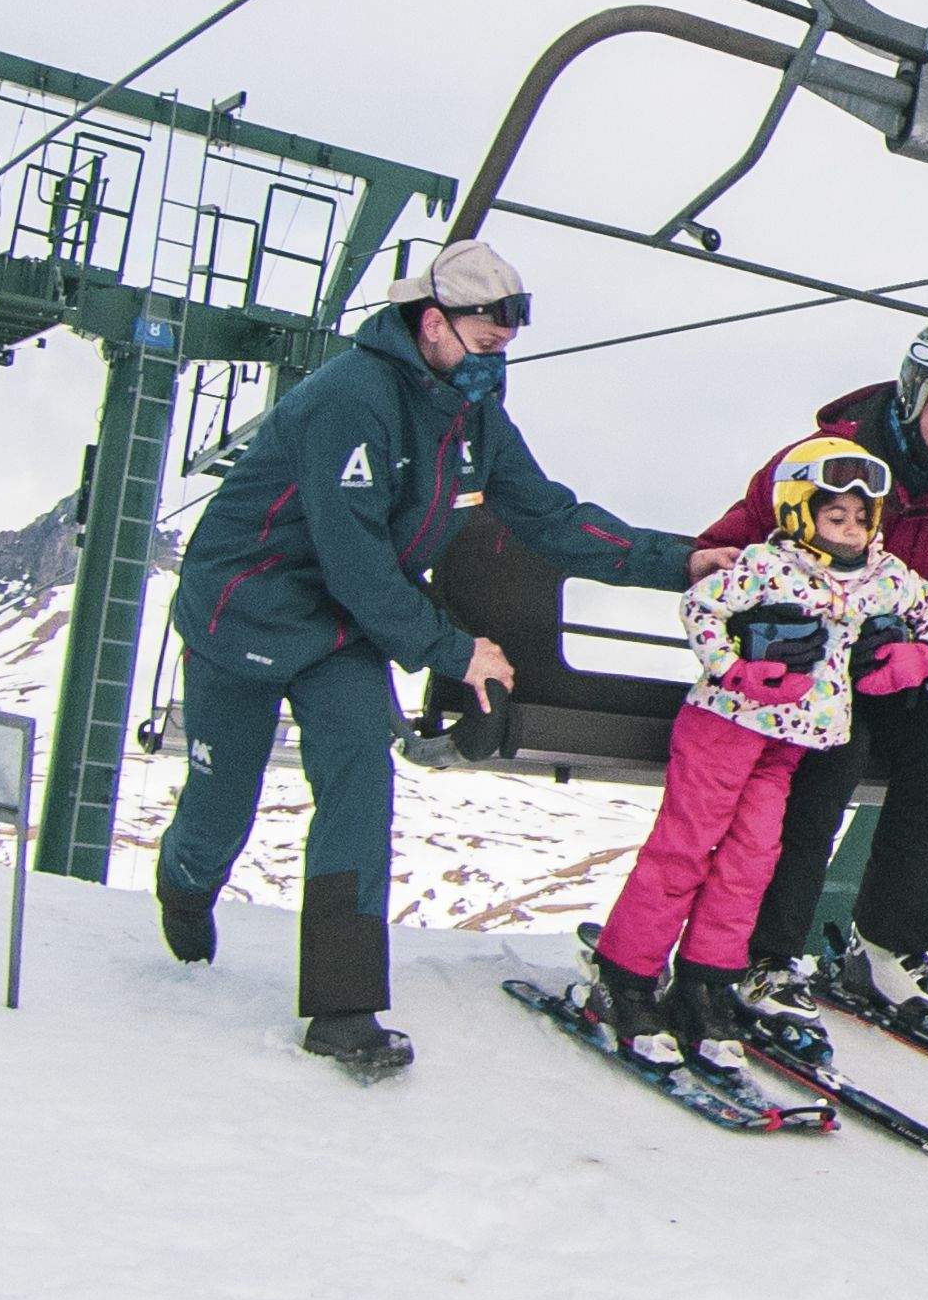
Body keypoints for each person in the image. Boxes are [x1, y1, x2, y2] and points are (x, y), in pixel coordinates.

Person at [159, 238, 724, 1080]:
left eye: (504, 343)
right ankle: (186, 880)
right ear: (431, 324)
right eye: (483, 336)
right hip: (249, 608)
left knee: (359, 784)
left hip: (342, 628)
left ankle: (343, 1009)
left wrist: (677, 561)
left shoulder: (471, 412)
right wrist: (452, 649)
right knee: (220, 805)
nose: (496, 356)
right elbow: (351, 556)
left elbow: (549, 516)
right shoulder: (350, 399)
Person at [585, 437, 928, 1069]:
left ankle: (707, 981)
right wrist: (733, 669)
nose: (851, 531)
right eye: (835, 517)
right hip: (726, 727)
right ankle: (627, 976)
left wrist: (921, 654)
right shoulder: (768, 565)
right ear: (801, 513)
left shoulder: (882, 576)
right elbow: (702, 606)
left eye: (863, 519)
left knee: (751, 859)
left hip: (789, 745)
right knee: (686, 847)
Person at [721, 318, 928, 996]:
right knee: (828, 768)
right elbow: (733, 544)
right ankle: (768, 951)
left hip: (896, 670)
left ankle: (891, 946)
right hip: (812, 671)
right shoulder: (828, 458)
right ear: (916, 395)